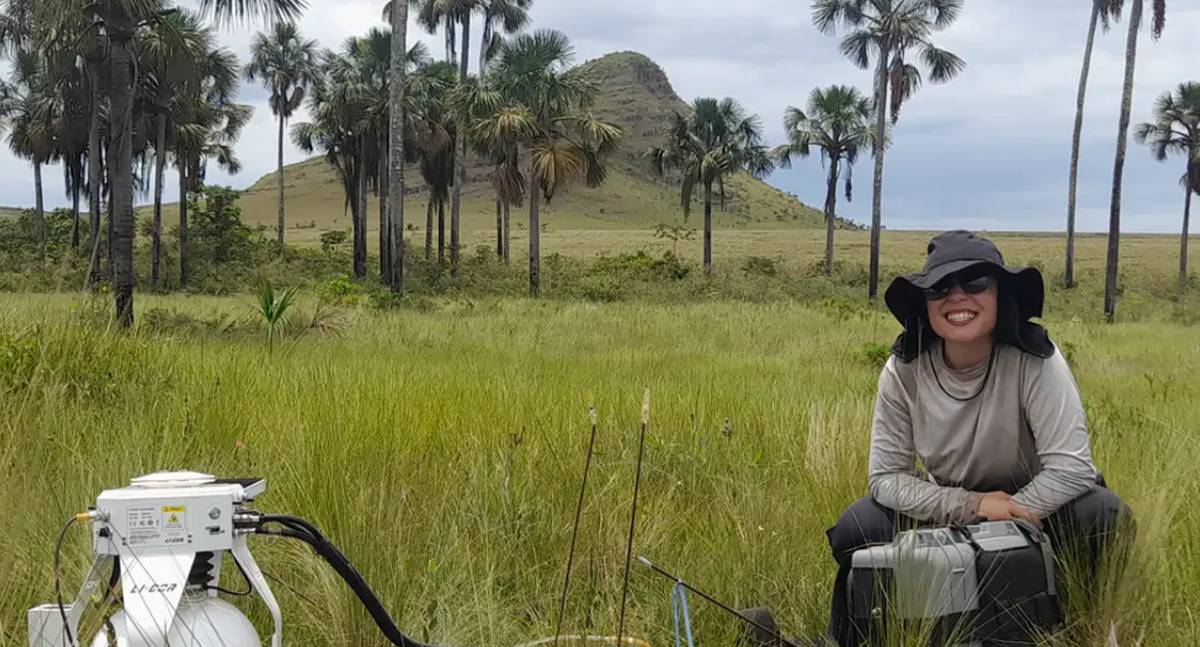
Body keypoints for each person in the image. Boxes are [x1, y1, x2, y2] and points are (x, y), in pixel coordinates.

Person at [824, 230, 1132, 647]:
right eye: (940, 288)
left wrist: (1012, 509)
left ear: (1000, 294)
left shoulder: (1036, 359)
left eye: (975, 283)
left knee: (1103, 514)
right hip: (950, 497)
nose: (957, 297)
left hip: (1039, 501)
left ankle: (1087, 631)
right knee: (855, 528)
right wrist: (973, 506)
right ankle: (859, 638)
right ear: (925, 302)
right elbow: (886, 478)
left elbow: (1072, 469)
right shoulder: (904, 369)